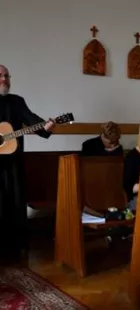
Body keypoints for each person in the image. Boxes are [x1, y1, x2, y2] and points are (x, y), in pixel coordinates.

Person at [0, 64, 55, 262]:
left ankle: (15, 249)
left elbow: (31, 120)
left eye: (7, 75)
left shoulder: (17, 102)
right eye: (0, 76)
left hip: (13, 162)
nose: (4, 79)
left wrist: (46, 127)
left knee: (15, 202)